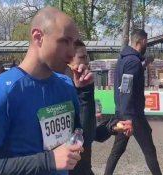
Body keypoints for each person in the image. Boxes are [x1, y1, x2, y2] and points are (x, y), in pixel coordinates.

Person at [0, 7, 93, 175]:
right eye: (65, 41)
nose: (72, 52)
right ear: (38, 37)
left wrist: (85, 94)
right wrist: (48, 160)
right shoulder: (0, 94)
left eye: (74, 43)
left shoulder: (66, 86)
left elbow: (82, 138)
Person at [104, 29, 162, 175]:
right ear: (142, 41)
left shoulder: (124, 59)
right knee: (149, 150)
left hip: (123, 111)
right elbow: (126, 90)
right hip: (133, 115)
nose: (146, 45)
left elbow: (128, 82)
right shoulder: (133, 62)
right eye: (146, 42)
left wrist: (144, 65)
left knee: (117, 150)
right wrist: (129, 119)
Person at [64, 40, 96, 175]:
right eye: (82, 57)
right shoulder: (61, 90)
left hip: (84, 168)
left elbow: (89, 134)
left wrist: (112, 126)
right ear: (69, 60)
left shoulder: (84, 87)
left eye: (87, 56)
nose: (87, 61)